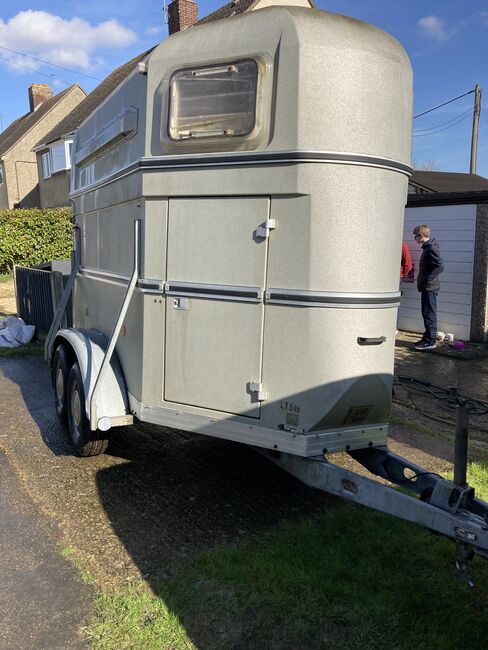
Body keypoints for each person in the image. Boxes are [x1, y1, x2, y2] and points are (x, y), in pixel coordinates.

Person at [412, 224, 444, 351]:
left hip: (430, 287)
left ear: (421, 235)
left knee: (429, 314)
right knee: (426, 313)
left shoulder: (431, 248)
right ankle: (426, 338)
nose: (415, 239)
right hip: (427, 286)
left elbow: (440, 266)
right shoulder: (427, 247)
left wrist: (428, 279)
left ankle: (430, 342)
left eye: (415, 236)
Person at [396, 241, 413, 333]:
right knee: (394, 303)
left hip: (395, 278)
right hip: (394, 277)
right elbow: (408, 265)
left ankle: (393, 327)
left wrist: (401, 275)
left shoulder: (402, 245)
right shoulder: (402, 245)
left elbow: (408, 265)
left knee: (394, 303)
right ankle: (392, 328)